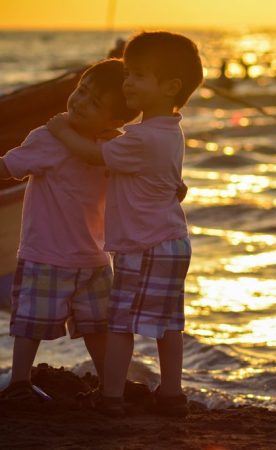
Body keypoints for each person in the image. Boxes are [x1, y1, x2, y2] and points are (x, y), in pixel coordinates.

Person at [46, 31, 204, 417]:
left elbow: (91, 153)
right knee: (168, 324)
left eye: (138, 76)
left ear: (170, 87)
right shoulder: (168, 131)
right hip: (171, 241)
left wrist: (60, 129)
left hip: (143, 246)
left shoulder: (139, 140)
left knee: (120, 324)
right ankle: (171, 395)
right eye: (128, 73)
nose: (127, 82)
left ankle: (110, 397)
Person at [0, 59, 138, 402]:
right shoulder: (47, 138)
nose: (79, 102)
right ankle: (19, 382)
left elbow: (140, 180)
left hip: (94, 258)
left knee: (99, 327)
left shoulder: (113, 148)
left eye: (93, 103)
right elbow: (9, 167)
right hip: (45, 255)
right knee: (30, 324)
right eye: (81, 91)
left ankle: (109, 384)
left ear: (115, 121)